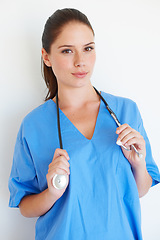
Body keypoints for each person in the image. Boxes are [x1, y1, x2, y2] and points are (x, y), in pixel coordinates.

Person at [8, 8, 160, 240]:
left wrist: (138, 164)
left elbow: (138, 191)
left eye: (88, 48)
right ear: (46, 57)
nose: (81, 61)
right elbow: (25, 206)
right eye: (67, 51)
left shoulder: (125, 111)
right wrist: (53, 192)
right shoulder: (34, 125)